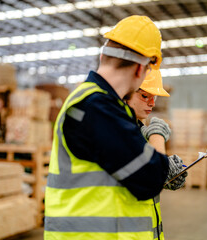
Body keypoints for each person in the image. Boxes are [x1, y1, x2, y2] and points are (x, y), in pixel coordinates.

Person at [44, 15, 187, 240]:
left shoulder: (93, 103)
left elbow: (119, 173)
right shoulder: (97, 108)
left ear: (103, 56)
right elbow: (150, 178)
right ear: (141, 70)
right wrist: (157, 135)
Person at [125, 69, 187, 239]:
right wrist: (157, 136)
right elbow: (151, 175)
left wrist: (168, 173)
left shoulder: (139, 132)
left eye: (154, 97)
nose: (152, 103)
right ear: (125, 93)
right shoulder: (120, 132)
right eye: (145, 96)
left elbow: (143, 176)